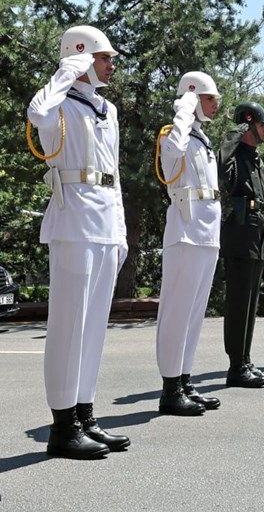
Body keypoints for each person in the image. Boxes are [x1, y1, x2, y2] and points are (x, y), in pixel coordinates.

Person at [27, 25, 130, 459]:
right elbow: (37, 114)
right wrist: (66, 71)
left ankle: (85, 413)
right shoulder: (58, 105)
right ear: (83, 58)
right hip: (72, 221)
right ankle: (62, 424)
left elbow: (115, 177)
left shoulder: (106, 109)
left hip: (105, 221)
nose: (111, 64)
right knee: (68, 327)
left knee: (92, 329)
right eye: (103, 57)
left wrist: (121, 231)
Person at [155, 71, 224, 416]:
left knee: (195, 314)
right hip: (185, 231)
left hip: (206, 233)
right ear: (194, 99)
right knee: (177, 314)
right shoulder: (175, 135)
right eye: (210, 98)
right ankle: (169, 389)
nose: (216, 104)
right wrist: (183, 111)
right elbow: (172, 153)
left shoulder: (202, 139)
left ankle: (184, 381)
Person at [218, 102, 264, 389]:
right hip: (241, 234)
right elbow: (224, 172)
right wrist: (232, 137)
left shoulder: (256, 159)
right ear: (249, 125)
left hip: (258, 233)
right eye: (262, 124)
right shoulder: (235, 156)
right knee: (240, 301)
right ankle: (236, 365)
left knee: (251, 301)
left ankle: (246, 360)